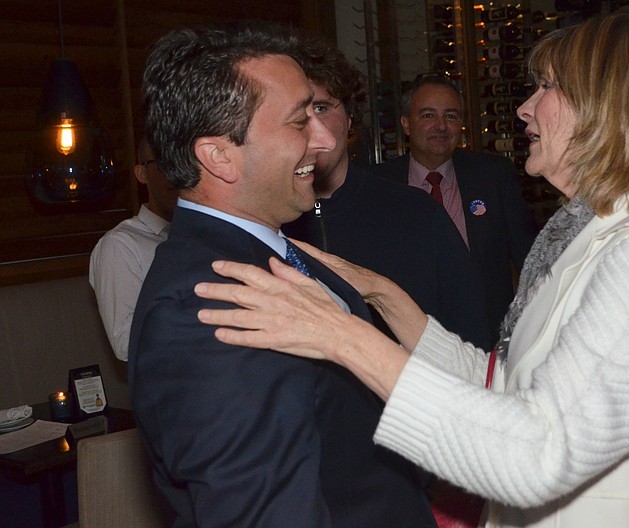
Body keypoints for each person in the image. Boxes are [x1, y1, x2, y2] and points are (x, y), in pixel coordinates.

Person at [194, 14, 629, 527]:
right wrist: (383, 296)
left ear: (609, 108)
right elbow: (507, 384)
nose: (525, 107)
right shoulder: (597, 236)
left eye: (547, 87)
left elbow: (538, 454)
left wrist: (342, 338)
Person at [129, 22, 436, 527]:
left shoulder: (284, 254)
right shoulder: (208, 304)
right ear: (219, 155)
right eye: (300, 121)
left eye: (320, 112)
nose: (324, 138)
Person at [282, 34, 491, 350]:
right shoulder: (266, 219)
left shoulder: (417, 213)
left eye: (322, 107)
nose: (311, 126)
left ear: (350, 117)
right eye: (296, 113)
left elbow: (471, 334)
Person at [372, 73, 536, 347]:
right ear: (406, 124)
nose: (441, 126)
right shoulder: (379, 185)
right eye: (427, 115)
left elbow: (529, 258)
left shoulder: (493, 176)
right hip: (406, 342)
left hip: (485, 341)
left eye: (450, 116)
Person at [89, 137, 177, 361]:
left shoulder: (203, 237)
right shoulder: (121, 244)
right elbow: (126, 342)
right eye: (165, 163)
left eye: (184, 161)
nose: (177, 173)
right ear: (142, 174)